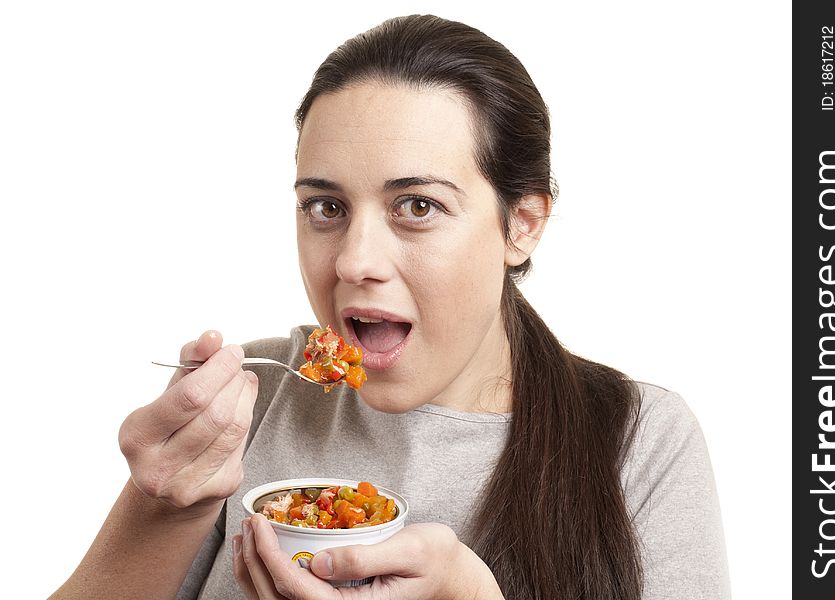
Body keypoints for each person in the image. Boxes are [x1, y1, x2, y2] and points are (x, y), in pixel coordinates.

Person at [51, 14, 730, 600]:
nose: (353, 260)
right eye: (326, 207)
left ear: (521, 225)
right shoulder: (250, 403)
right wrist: (163, 507)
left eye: (417, 207)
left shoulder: (641, 443)